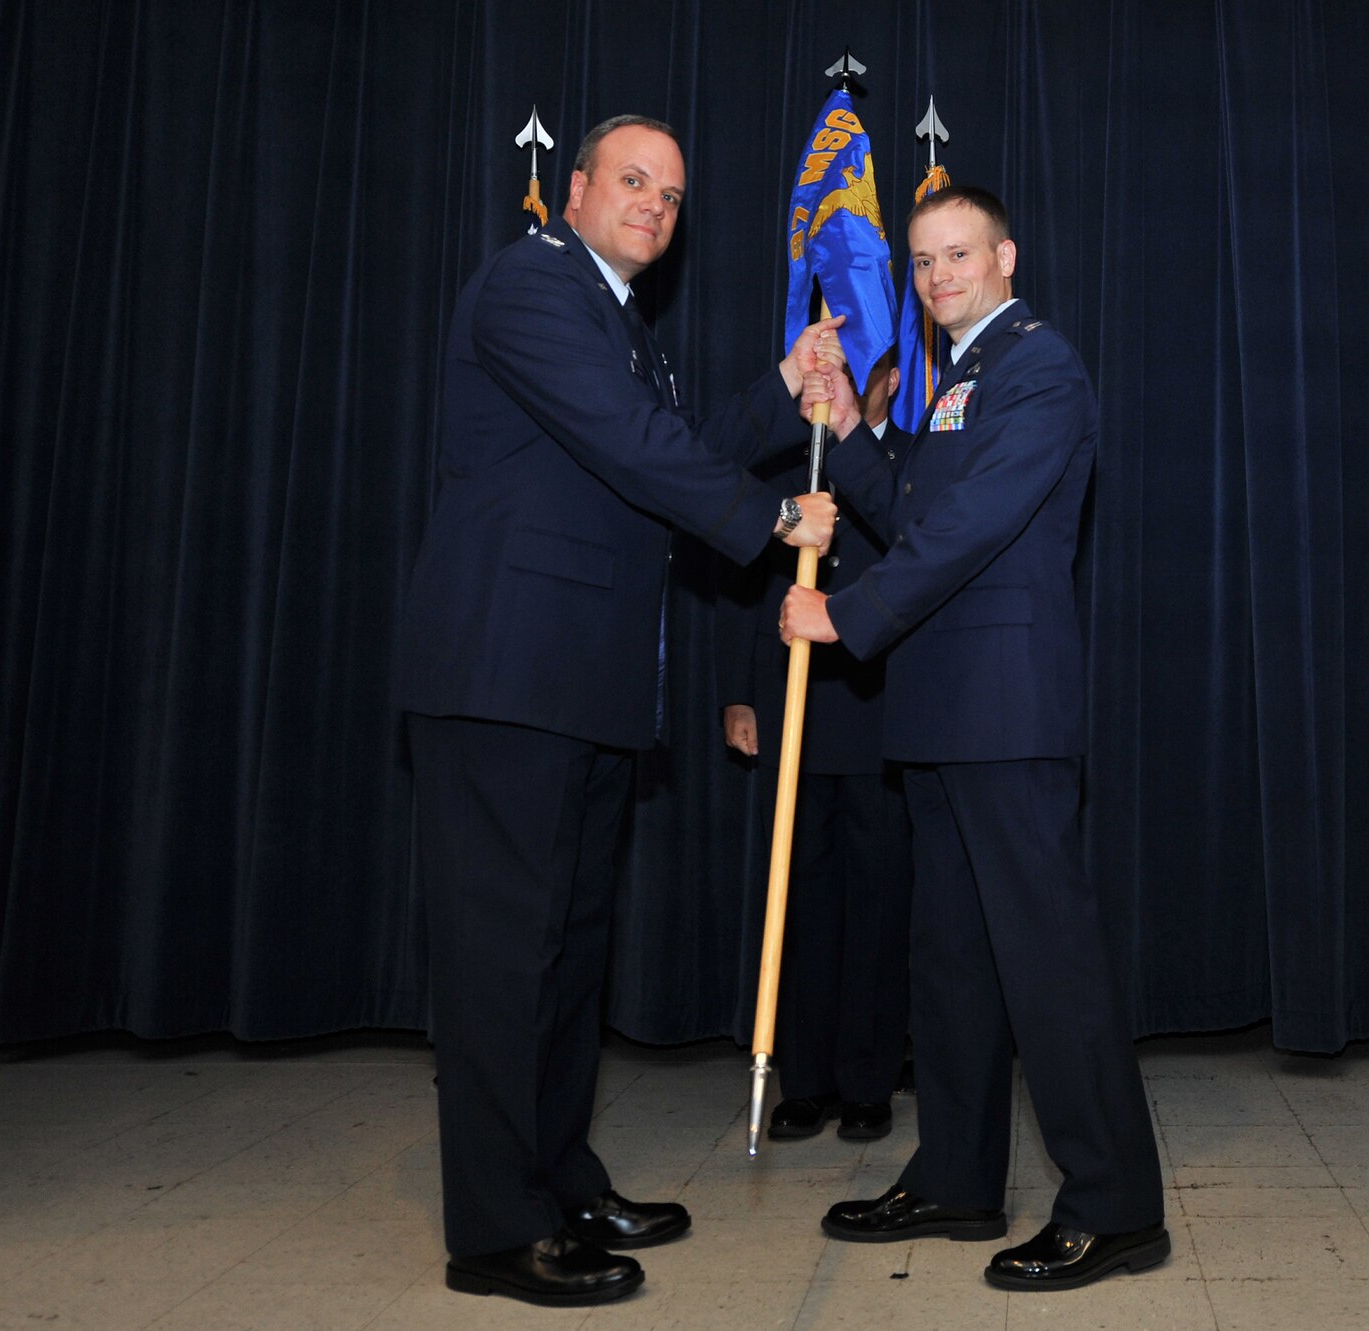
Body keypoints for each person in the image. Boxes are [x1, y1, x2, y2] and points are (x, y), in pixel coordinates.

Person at [393, 113, 842, 1307]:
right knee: (504, 961)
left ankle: (559, 1177)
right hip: (504, 680)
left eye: (673, 194)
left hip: (574, 686)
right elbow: (635, 449)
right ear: (576, 186)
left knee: (565, 953)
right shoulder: (532, 287)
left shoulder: (619, 324)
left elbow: (668, 445)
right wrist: (773, 522)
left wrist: (781, 389)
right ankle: (495, 1227)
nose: (653, 204)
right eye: (632, 181)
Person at [780, 185, 1168, 1293]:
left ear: (1003, 254)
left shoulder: (1039, 365)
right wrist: (852, 431)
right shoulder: (953, 378)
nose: (939, 275)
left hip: (1007, 705)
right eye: (922, 261)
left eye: (958, 254)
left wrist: (843, 615)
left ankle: (1116, 1202)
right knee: (948, 964)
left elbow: (970, 525)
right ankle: (953, 1174)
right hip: (943, 711)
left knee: (1049, 965)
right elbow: (909, 505)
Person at [716, 352, 912, 1144]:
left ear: (889, 380)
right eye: (821, 370)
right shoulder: (783, 469)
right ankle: (806, 1078)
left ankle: (868, 1081)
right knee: (799, 902)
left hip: (878, 707)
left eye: (850, 370)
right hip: (794, 705)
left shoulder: (907, 469)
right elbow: (743, 582)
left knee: (876, 903)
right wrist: (738, 689)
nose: (830, 383)